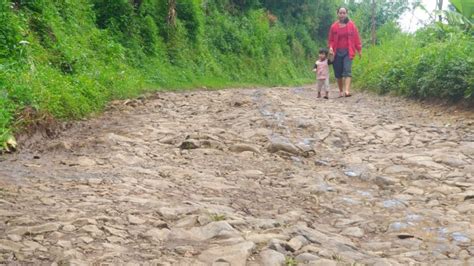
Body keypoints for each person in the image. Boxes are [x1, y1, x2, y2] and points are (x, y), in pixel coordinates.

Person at [328, 7, 362, 97]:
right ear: (337, 14)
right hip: (336, 52)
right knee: (338, 73)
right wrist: (331, 47)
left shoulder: (351, 25)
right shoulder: (333, 26)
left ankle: (347, 91)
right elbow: (330, 40)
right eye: (340, 13)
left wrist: (359, 49)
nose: (342, 15)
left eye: (344, 13)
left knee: (347, 70)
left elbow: (356, 38)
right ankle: (341, 91)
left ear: (346, 14)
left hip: (348, 51)